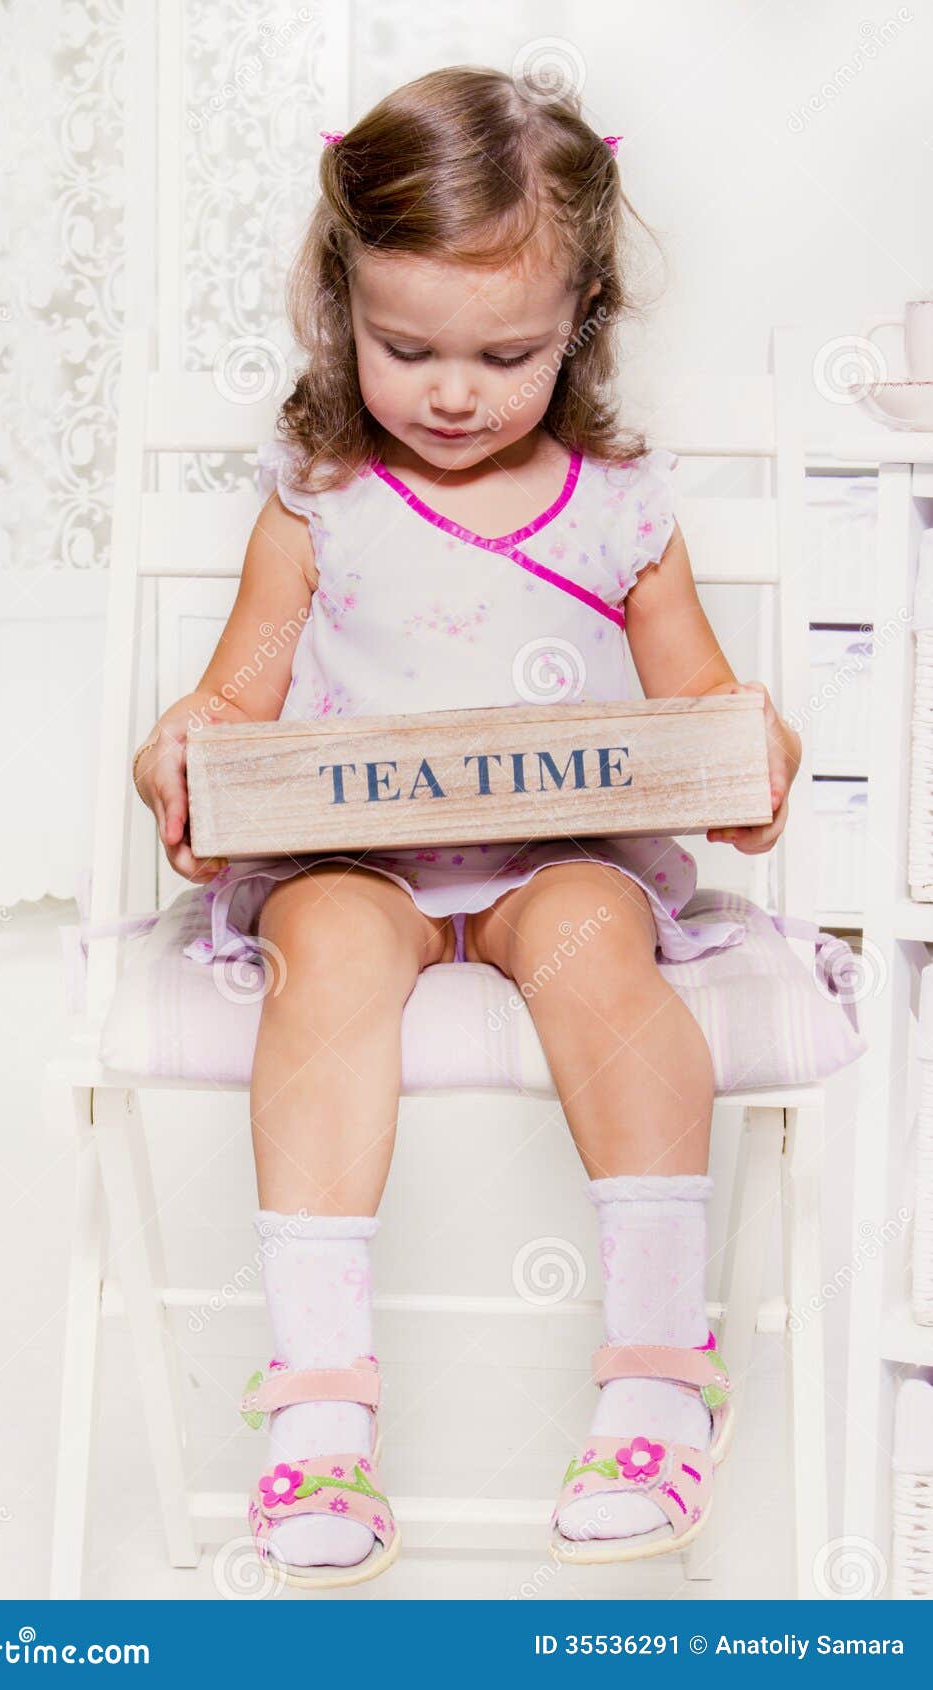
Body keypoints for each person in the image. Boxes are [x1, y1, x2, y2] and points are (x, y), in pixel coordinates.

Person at [132, 65, 799, 1586]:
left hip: (558, 855)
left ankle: (650, 1367)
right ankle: (316, 1413)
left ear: (584, 321)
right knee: (328, 953)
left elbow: (698, 712)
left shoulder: (619, 502)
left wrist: (751, 756)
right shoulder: (320, 493)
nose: (451, 391)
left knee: (592, 940)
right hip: (352, 854)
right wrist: (181, 757)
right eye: (405, 345)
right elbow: (231, 701)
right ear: (340, 309)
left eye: (505, 353)